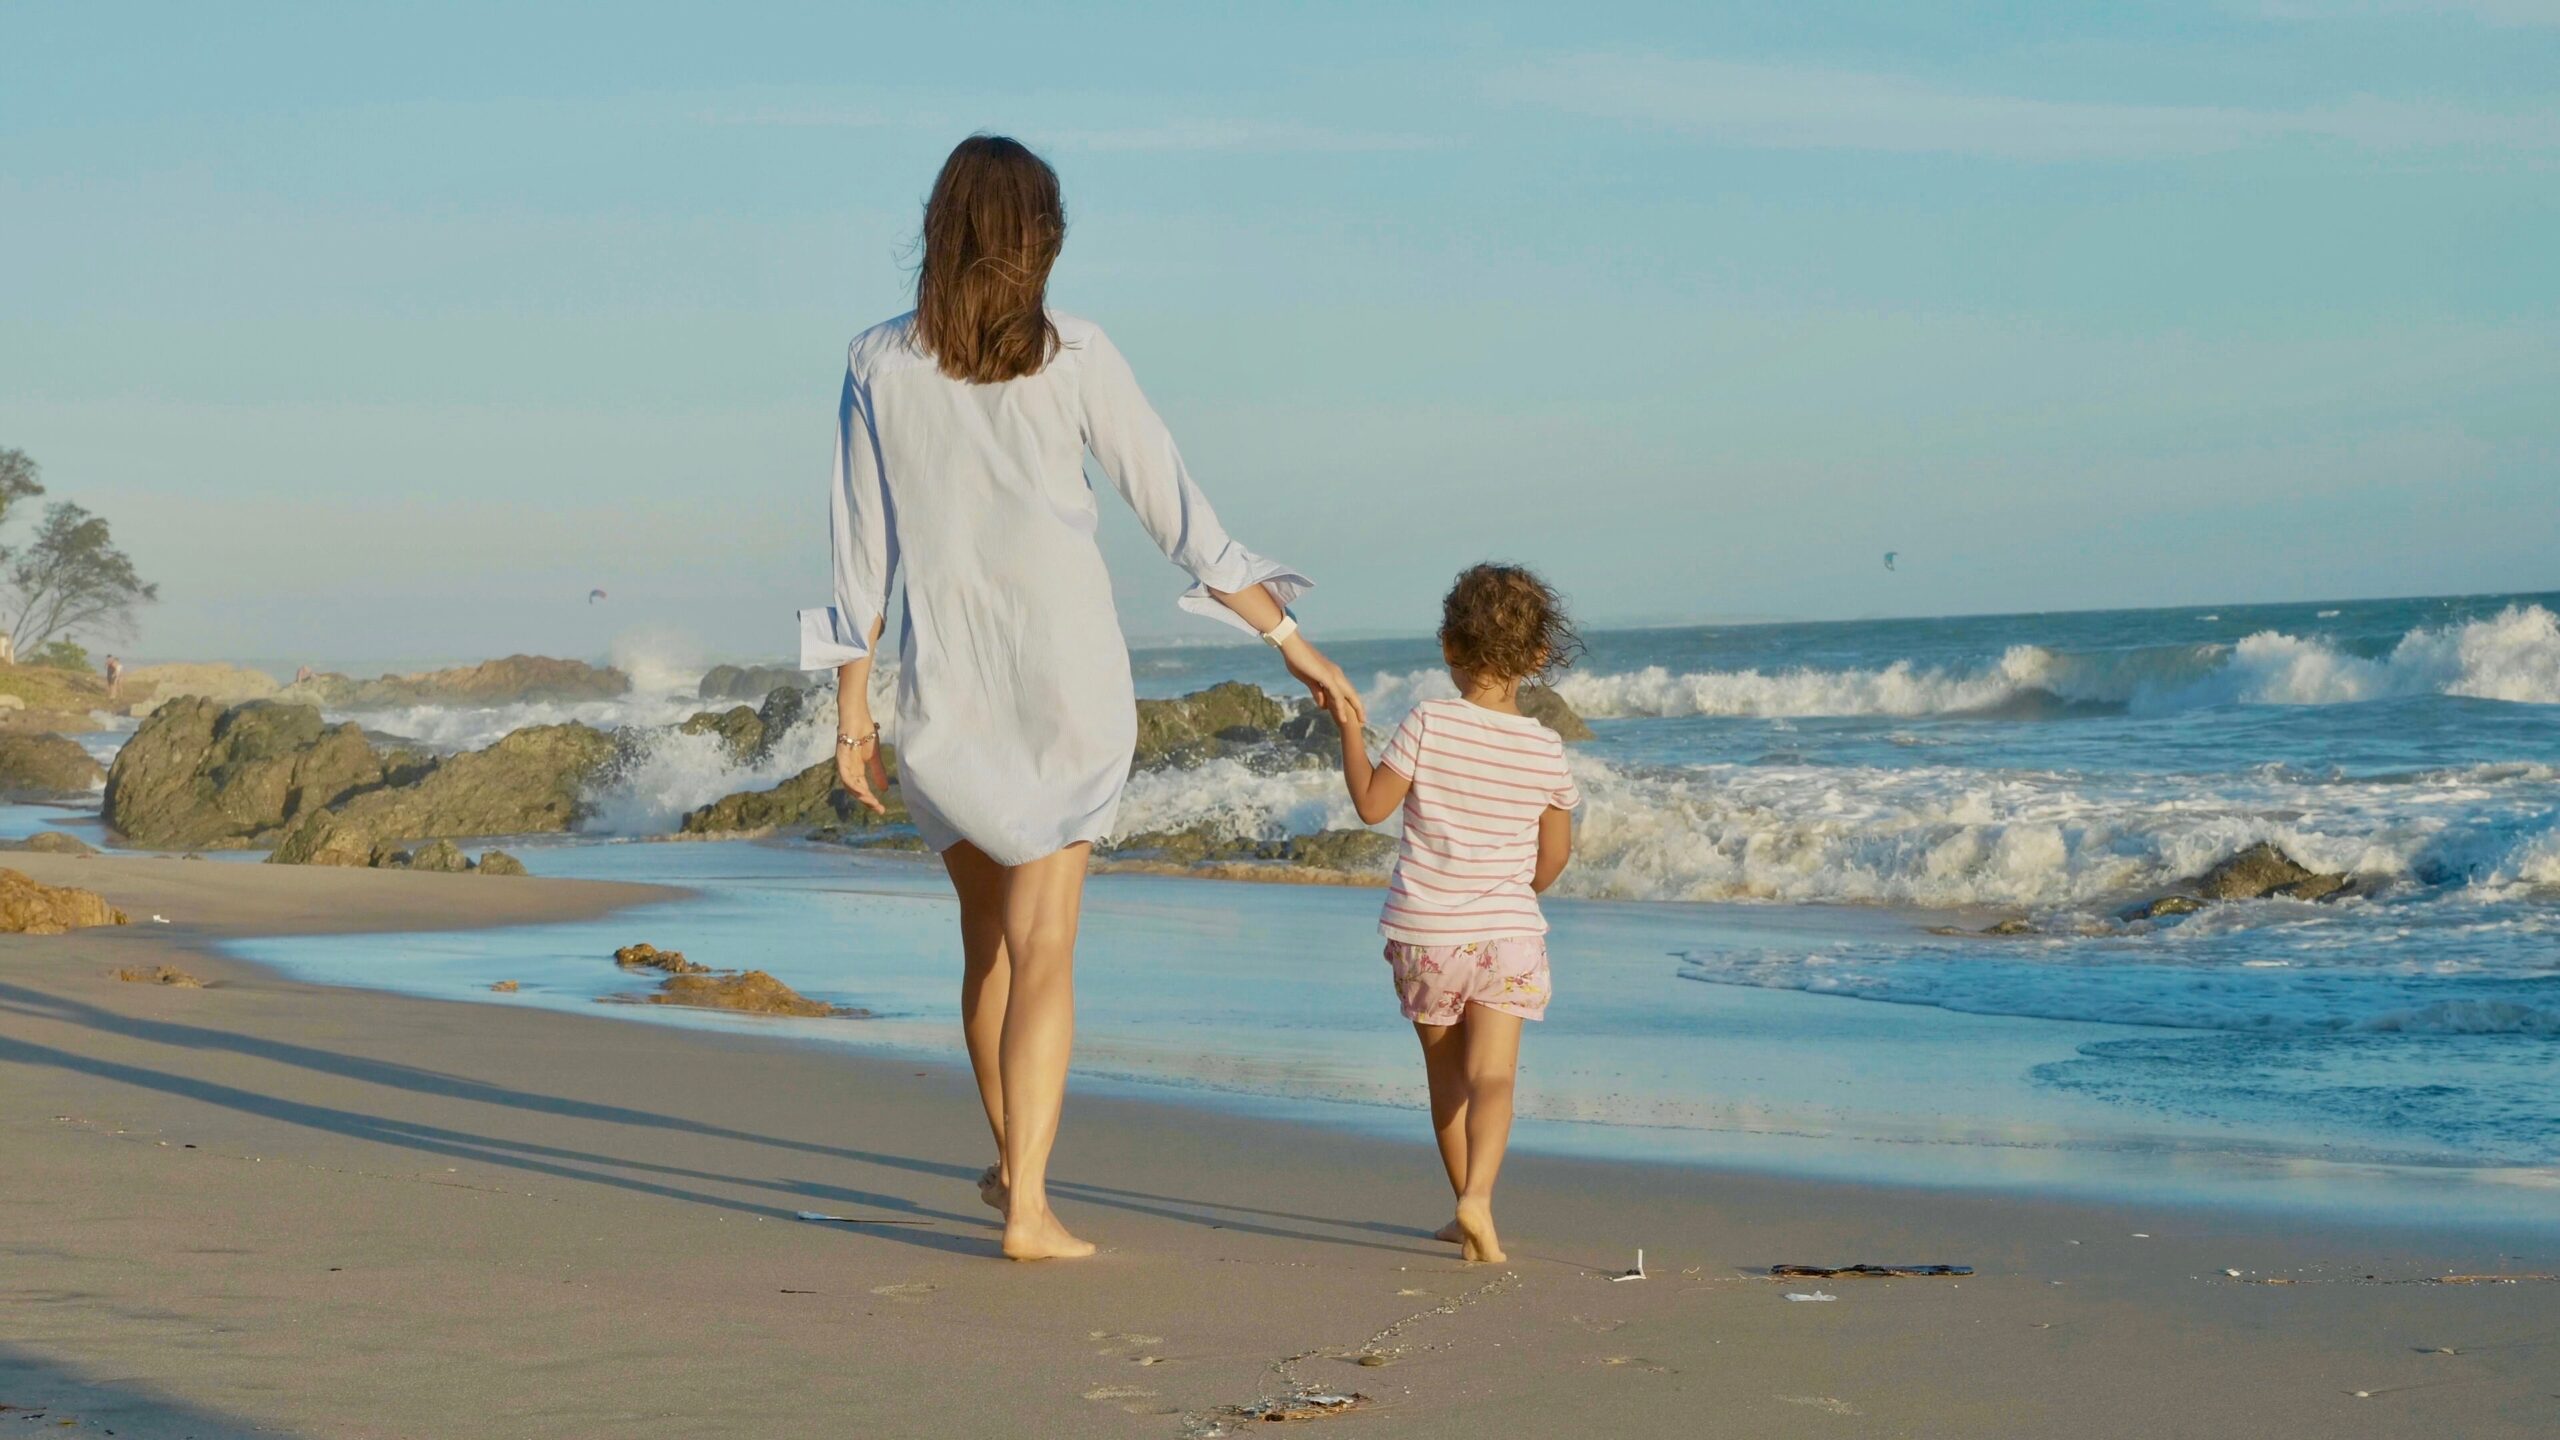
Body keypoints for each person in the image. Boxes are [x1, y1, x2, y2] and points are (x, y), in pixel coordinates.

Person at [801, 135, 1365, 1262]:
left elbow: (860, 561)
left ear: (939, 229)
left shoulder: (875, 361)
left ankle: (1019, 1178)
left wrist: (852, 713)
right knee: (1045, 947)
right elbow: (1184, 521)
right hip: (1067, 680)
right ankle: (1025, 1210)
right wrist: (1290, 639)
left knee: (988, 950)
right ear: (1040, 238)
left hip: (949, 684)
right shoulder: (1077, 354)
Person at [1327, 564, 1581, 1264]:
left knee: (1446, 1077)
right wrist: (1515, 892)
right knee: (1495, 1077)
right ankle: (1479, 1201)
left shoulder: (1428, 722)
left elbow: (1372, 806)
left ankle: (1463, 1208)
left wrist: (1350, 730)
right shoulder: (1546, 747)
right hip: (1509, 936)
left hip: (1428, 935)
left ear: (1449, 645)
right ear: (1538, 655)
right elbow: (1555, 856)